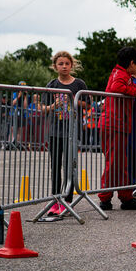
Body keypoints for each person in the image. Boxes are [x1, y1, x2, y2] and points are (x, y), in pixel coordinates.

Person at [97, 46, 136, 211]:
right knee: (113, 163)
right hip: (114, 124)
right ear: (132, 63)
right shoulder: (120, 74)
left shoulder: (124, 75)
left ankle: (125, 197)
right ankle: (105, 198)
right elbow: (116, 88)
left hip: (119, 124)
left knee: (121, 164)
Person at [43, 51, 88, 217]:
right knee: (55, 167)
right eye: (60, 64)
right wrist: (54, 105)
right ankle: (55, 200)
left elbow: (87, 105)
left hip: (72, 131)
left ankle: (67, 201)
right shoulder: (52, 84)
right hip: (55, 132)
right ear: (55, 66)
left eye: (67, 64)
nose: (64, 66)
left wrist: (73, 100)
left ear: (72, 65)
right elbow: (43, 107)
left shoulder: (79, 84)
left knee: (69, 167)